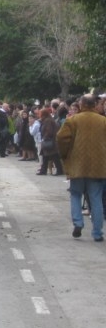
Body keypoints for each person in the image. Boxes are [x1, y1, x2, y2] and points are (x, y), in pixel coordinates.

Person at [56, 94, 106, 241]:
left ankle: (78, 222)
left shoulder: (73, 120)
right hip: (98, 166)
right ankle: (97, 233)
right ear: (94, 105)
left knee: (75, 194)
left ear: (82, 104)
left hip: (77, 165)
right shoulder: (103, 121)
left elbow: (61, 137)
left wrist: (65, 155)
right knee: (95, 198)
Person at [37, 108, 64, 176]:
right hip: (51, 141)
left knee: (54, 156)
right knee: (47, 156)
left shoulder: (47, 120)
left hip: (50, 141)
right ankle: (44, 170)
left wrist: (45, 137)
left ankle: (58, 170)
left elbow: (49, 131)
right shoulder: (47, 119)